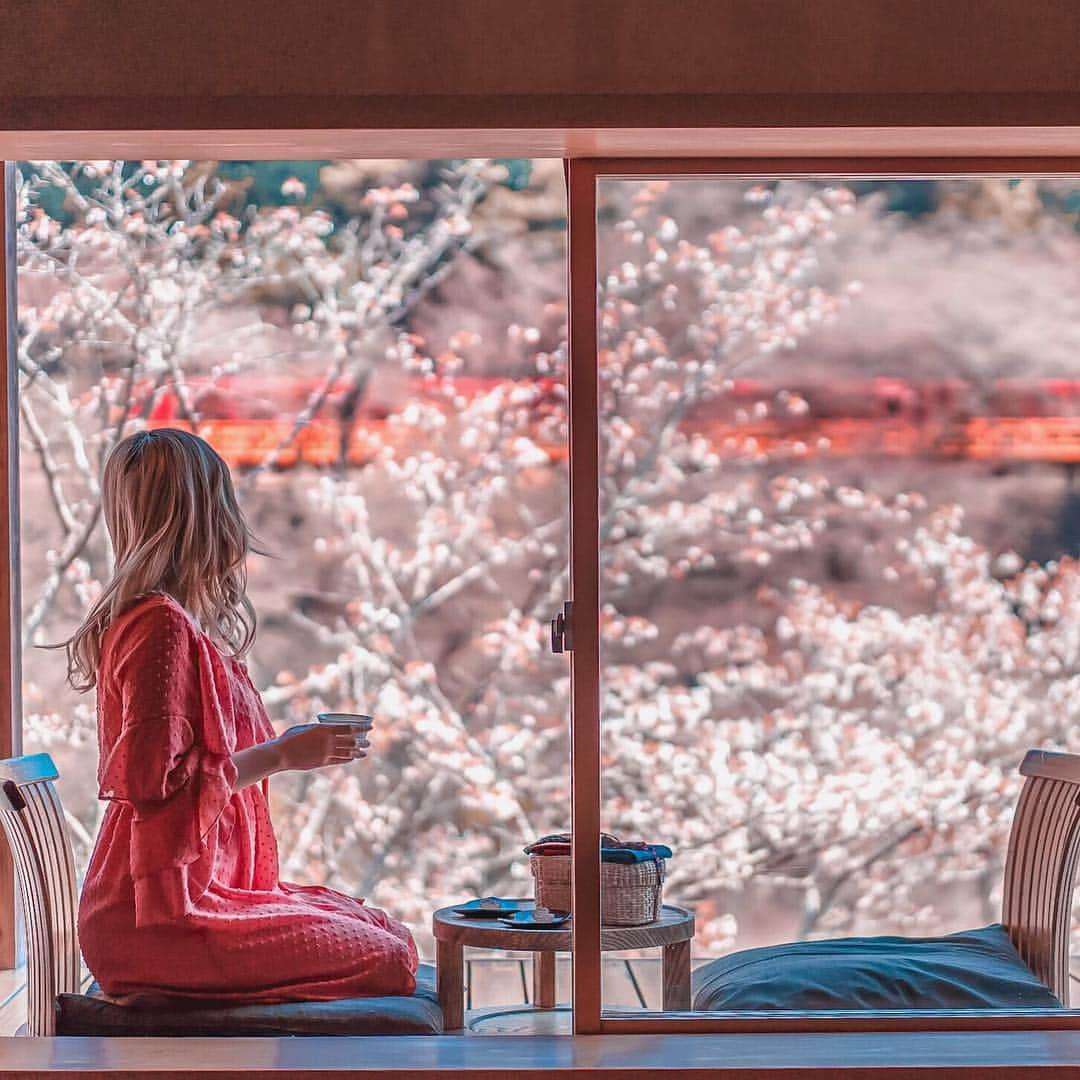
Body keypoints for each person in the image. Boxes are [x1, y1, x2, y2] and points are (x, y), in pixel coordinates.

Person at [63, 428, 418, 1004]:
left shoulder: (168, 621)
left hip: (178, 900)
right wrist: (282, 755)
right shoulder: (160, 627)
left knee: (378, 926)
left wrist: (290, 751)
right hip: (159, 919)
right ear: (204, 513)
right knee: (392, 955)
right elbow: (157, 785)